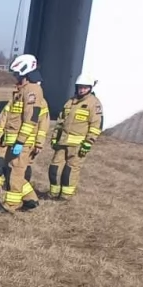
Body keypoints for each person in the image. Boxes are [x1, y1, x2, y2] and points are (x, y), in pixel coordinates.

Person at [0, 54, 49, 213]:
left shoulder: (33, 90)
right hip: (14, 140)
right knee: (13, 170)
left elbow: (31, 118)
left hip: (22, 142)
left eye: (17, 74)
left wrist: (21, 141)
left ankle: (11, 205)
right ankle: (30, 199)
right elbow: (12, 118)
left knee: (15, 173)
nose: (15, 77)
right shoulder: (21, 91)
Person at [48, 72, 104, 200]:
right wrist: (55, 137)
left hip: (78, 146)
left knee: (69, 171)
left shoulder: (94, 104)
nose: (82, 89)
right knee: (54, 168)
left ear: (90, 88)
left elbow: (96, 126)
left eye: (85, 87)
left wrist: (88, 143)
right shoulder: (70, 102)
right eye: (80, 87)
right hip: (62, 143)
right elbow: (60, 121)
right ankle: (53, 194)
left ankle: (65, 196)